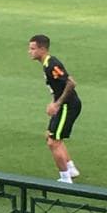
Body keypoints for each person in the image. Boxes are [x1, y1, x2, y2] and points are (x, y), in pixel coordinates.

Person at [28, 35, 81, 183]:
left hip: (67, 106)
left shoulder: (52, 65)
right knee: (50, 136)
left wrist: (57, 104)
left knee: (53, 142)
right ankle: (70, 168)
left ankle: (65, 178)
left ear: (42, 49)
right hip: (63, 105)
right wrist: (53, 102)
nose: (29, 52)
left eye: (32, 48)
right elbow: (57, 87)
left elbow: (71, 83)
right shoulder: (47, 64)